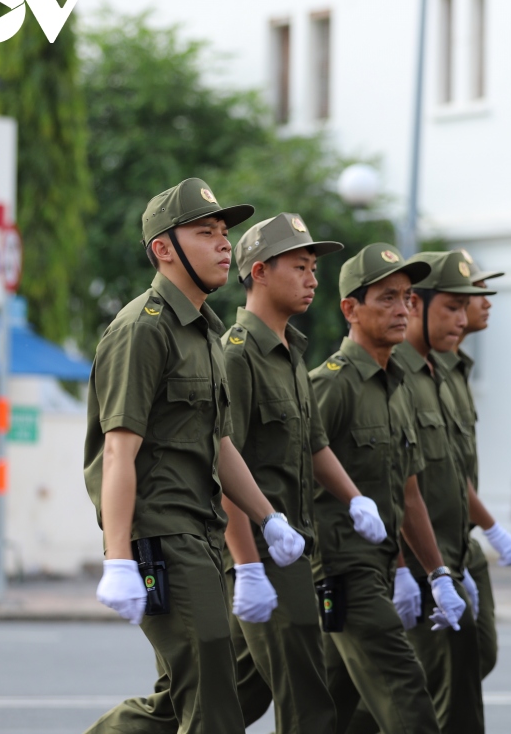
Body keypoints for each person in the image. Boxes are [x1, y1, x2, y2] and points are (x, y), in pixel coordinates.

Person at [83, 178, 305, 734]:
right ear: (164, 249)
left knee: (183, 697)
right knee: (214, 704)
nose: (224, 244)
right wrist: (117, 557)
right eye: (205, 233)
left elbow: (221, 443)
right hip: (160, 535)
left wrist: (267, 518)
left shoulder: (203, 333)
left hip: (202, 532)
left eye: (224, 233)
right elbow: (118, 450)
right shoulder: (143, 329)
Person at [218, 213, 393, 734]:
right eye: (299, 266)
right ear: (259, 271)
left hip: (294, 546)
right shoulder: (237, 354)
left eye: (314, 267)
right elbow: (224, 463)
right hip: (261, 552)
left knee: (226, 702)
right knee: (309, 707)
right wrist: (247, 567)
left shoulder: (291, 350)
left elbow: (314, 443)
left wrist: (354, 499)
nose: (312, 278)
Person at [310, 243, 460, 734]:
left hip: (378, 568)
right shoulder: (331, 385)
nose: (402, 309)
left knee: (339, 711)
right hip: (341, 569)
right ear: (350, 309)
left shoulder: (396, 386)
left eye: (408, 298)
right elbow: (301, 472)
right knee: (407, 695)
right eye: (387, 298)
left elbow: (408, 493)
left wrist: (436, 574)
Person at [394, 250, 499, 734]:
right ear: (416, 304)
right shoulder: (394, 375)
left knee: (460, 683)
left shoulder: (440, 371)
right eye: (453, 306)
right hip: (416, 560)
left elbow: (450, 472)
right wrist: (409, 570)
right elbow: (387, 485)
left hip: (449, 554)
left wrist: (483, 535)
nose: (465, 316)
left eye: (466, 305)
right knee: (429, 698)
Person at [435, 248, 511, 681]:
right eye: (475, 292)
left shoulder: (455, 368)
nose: (485, 301)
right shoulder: (424, 371)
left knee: (477, 656)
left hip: (461, 537)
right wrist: (492, 525)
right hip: (432, 541)